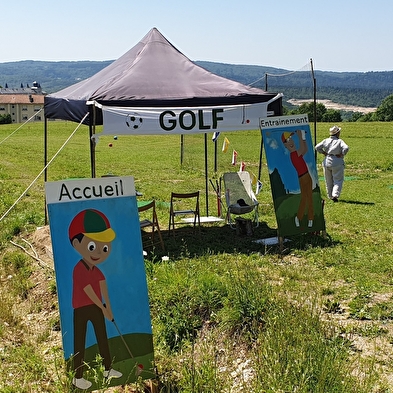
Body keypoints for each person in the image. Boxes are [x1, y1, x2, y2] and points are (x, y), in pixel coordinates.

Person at [68, 209, 122, 390]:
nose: (99, 251)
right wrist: (103, 307)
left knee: (102, 337)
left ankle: (108, 369)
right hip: (82, 309)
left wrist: (109, 309)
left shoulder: (97, 270)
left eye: (104, 247)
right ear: (76, 244)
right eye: (92, 246)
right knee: (79, 342)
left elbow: (103, 287)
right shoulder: (79, 269)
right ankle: (78, 377)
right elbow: (90, 291)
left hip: (96, 307)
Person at [282, 129, 314, 228]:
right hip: (304, 177)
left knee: (306, 198)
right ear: (285, 145)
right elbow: (304, 149)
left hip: (304, 177)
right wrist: (301, 136)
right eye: (287, 141)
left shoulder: (295, 154)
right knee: (308, 198)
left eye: (291, 139)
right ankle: (308, 219)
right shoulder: (294, 154)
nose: (290, 142)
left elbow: (305, 149)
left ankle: (303, 218)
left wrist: (302, 137)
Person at [315, 125, 349, 202]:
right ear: (337, 133)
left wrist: (323, 152)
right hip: (337, 160)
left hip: (327, 160)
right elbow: (346, 148)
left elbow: (317, 147)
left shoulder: (326, 140)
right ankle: (335, 194)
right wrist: (342, 154)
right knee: (337, 179)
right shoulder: (339, 141)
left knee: (328, 180)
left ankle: (330, 195)